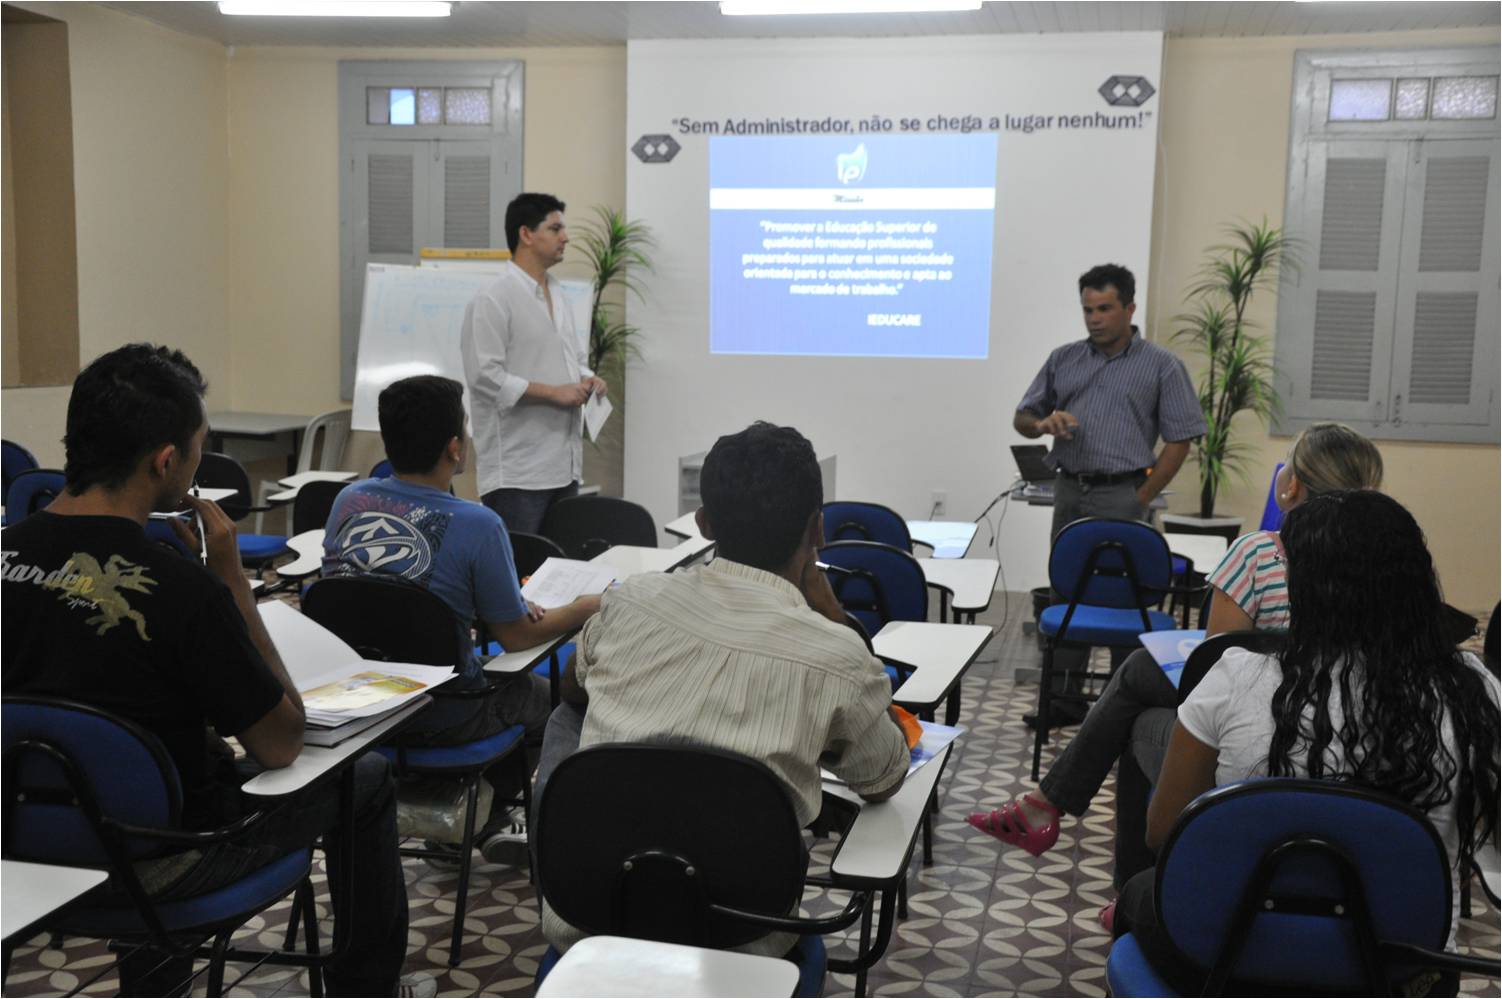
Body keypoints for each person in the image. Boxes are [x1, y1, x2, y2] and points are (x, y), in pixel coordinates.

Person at [1, 344, 420, 997]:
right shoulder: (180, 587)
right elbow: (279, 743)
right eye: (199, 447)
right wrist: (230, 582)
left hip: (19, 853)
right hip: (157, 864)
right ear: (166, 461)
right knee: (364, 777)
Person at [967, 423, 1386, 912]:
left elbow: (1217, 669)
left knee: (1138, 710)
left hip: (1254, 734)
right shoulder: (1386, 571)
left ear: (1289, 487)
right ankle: (1076, 837)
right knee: (1140, 687)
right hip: (1351, 744)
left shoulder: (1257, 554)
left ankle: (1119, 880)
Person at [540, 421, 912, 959]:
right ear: (818, 531)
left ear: (703, 523)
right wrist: (833, 616)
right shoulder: (837, 656)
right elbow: (885, 777)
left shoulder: (630, 601)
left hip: (593, 922)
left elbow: (574, 688)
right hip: (744, 941)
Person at [1122, 490, 1500, 993]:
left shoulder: (1235, 676)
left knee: (1138, 890)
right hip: (1403, 968)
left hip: (1232, 959)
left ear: (1303, 585)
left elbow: (1163, 831)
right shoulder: (1471, 688)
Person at [322, 374, 600, 859]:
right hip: (447, 713)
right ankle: (485, 815)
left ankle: (463, 814)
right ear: (455, 447)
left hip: (360, 708)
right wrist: (583, 608)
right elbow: (515, 638)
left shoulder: (349, 502)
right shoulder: (479, 524)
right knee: (555, 700)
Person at [1015, 263, 1206, 728]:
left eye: (1104, 308)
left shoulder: (1161, 365)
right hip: (1070, 490)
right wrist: (1042, 424)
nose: (1094, 318)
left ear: (1129, 308)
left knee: (1127, 595)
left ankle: (1127, 706)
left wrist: (1143, 494)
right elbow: (1023, 416)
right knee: (1068, 590)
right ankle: (1062, 700)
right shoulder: (1064, 358)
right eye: (1087, 309)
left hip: (1124, 492)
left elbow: (1181, 438)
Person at [460, 192, 608, 536]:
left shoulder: (558, 292)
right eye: (555, 228)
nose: (565, 237)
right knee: (520, 574)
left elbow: (573, 362)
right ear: (526, 234)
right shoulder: (493, 297)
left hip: (564, 465)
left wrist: (589, 379)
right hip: (518, 472)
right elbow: (485, 376)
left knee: (557, 573)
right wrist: (553, 394)